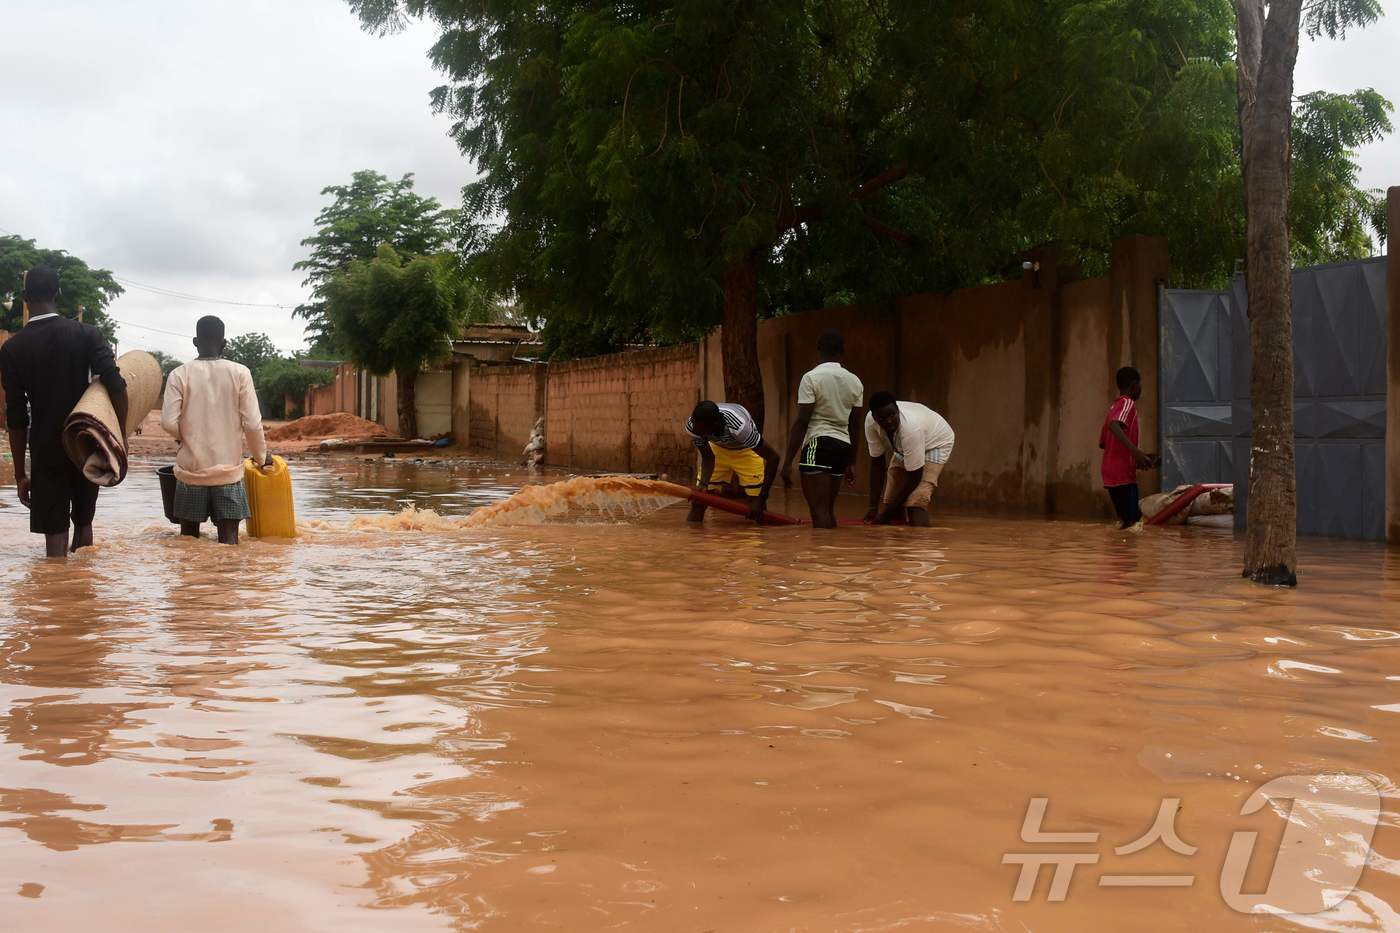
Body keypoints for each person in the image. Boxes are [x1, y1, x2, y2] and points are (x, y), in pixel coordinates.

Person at [1, 266, 129, 558]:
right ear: (58, 294)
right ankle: (82, 595)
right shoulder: (86, 334)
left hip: (45, 449)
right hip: (87, 441)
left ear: (24, 297)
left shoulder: (13, 349)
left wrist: (21, 473)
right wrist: (119, 437)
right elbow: (117, 386)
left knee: (54, 541)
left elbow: (16, 416)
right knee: (84, 524)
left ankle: (55, 595)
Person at [161, 315, 272, 545]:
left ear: (195, 341)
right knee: (230, 543)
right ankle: (227, 578)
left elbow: (168, 422)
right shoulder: (241, 373)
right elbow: (252, 424)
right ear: (224, 343)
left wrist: (184, 437)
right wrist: (261, 458)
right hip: (228, 475)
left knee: (188, 544)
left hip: (191, 473)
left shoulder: (178, 374)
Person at [781, 330, 863, 528]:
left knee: (819, 512)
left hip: (819, 443)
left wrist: (787, 462)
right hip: (843, 446)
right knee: (828, 510)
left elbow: (802, 421)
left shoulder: (811, 378)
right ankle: (830, 555)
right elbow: (855, 424)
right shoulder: (855, 381)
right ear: (842, 351)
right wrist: (851, 461)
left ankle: (820, 557)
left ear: (818, 350)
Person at [864, 392, 954, 526]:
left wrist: (885, 516)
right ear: (874, 417)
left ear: (897, 410)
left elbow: (914, 476)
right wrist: (873, 508)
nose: (888, 421)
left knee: (915, 506)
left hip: (935, 444)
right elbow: (877, 463)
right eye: (882, 418)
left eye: (892, 415)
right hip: (904, 446)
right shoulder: (870, 422)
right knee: (891, 504)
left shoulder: (911, 428)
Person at [684, 400, 780, 523]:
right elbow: (708, 457)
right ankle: (693, 540)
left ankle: (759, 538)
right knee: (699, 501)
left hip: (745, 449)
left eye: (702, 432)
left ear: (715, 424)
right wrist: (703, 484)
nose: (697, 434)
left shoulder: (740, 427)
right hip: (718, 450)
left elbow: (773, 458)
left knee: (758, 508)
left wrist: (762, 498)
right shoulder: (693, 427)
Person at [1099, 365, 1158, 529]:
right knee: (1135, 523)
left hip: (1110, 474)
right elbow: (1114, 426)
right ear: (1134, 386)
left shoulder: (1113, 407)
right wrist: (1136, 452)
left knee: (1124, 522)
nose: (1141, 390)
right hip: (1123, 475)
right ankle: (1128, 553)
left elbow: (1103, 443)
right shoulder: (1127, 403)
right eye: (1140, 386)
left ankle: (1117, 551)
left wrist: (1137, 458)